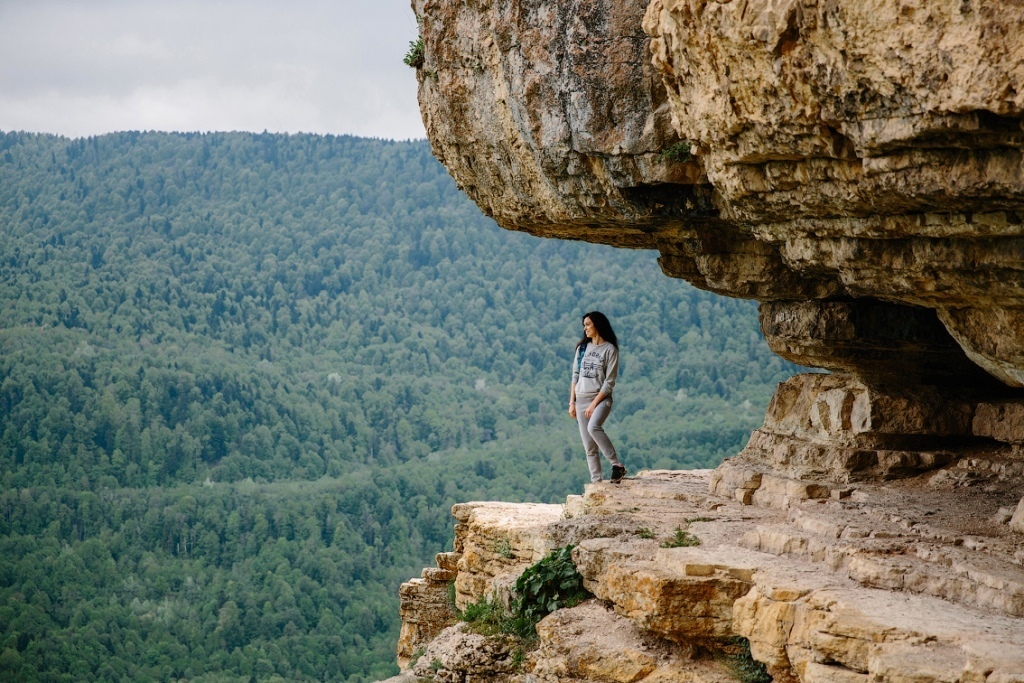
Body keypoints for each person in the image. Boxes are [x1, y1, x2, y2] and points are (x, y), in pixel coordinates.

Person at [569, 311, 627, 484]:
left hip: (601, 399)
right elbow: (575, 376)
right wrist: (572, 402)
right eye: (584, 325)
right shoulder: (582, 349)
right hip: (580, 399)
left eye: (588, 324)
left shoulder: (610, 350)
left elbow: (609, 382)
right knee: (589, 447)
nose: (585, 328)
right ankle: (596, 483)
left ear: (597, 325)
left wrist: (594, 404)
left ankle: (617, 465)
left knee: (594, 427)